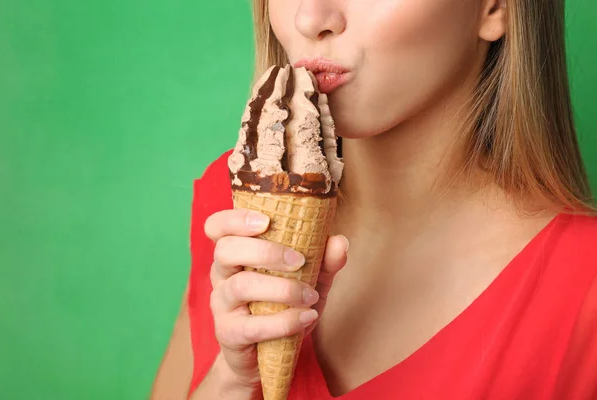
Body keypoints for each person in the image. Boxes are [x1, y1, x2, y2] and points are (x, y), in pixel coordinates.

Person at [152, 0, 597, 399]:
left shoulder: (584, 289)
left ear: (495, 7)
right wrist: (231, 383)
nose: (310, 17)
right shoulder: (234, 207)